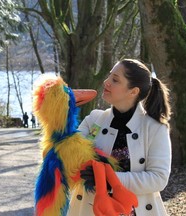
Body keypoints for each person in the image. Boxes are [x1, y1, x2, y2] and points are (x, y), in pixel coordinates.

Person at [67, 59, 172, 216]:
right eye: (109, 76)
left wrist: (108, 179)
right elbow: (67, 155)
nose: (106, 82)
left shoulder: (155, 128)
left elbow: (158, 178)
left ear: (133, 91)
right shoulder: (94, 119)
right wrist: (61, 112)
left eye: (115, 80)